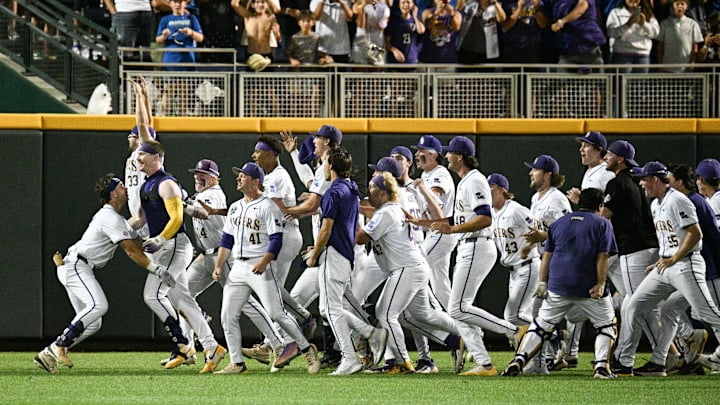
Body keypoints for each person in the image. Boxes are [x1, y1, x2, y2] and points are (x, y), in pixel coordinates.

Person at [34, 174, 175, 374]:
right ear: (112, 194)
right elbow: (131, 251)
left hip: (77, 266)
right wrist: (157, 269)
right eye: (120, 186)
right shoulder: (109, 217)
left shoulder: (116, 219)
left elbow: (137, 245)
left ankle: (48, 353)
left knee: (93, 323)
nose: (125, 187)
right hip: (77, 265)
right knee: (98, 306)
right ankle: (58, 346)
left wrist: (164, 247)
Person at [410, 136, 526, 376]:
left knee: (457, 308)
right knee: (459, 310)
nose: (447, 156)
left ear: (459, 156)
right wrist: (423, 222)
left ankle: (513, 331)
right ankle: (484, 363)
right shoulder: (465, 181)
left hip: (477, 245)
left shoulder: (474, 180)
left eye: (450, 153)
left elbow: (485, 218)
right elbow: (459, 219)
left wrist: (451, 230)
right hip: (469, 245)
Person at [211, 162, 320, 374]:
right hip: (239, 267)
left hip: (260, 263)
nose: (238, 179)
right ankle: (237, 363)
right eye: (239, 175)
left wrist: (264, 262)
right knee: (227, 315)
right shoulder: (235, 206)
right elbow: (226, 240)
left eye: (243, 176)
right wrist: (218, 265)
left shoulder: (268, 206)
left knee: (276, 313)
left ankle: (306, 349)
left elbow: (276, 240)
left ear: (255, 181)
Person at [612, 161, 720, 376]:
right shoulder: (655, 203)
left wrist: (674, 257)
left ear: (654, 179)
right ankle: (628, 364)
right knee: (635, 305)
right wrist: (663, 258)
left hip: (686, 264)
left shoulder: (678, 199)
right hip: (667, 265)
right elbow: (669, 238)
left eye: (644, 179)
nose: (641, 183)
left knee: (708, 313)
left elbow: (695, 233)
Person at [129, 139, 227, 373]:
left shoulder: (166, 184)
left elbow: (177, 218)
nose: (138, 158)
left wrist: (160, 238)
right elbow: (140, 219)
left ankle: (184, 344)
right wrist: (116, 232)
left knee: (153, 295)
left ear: (157, 157)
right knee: (181, 298)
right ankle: (209, 348)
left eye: (143, 154)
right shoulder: (147, 185)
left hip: (174, 246)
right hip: (169, 247)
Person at [177, 158, 285, 369]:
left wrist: (179, 202)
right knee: (182, 294)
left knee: (245, 303)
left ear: (214, 178)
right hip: (206, 256)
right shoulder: (201, 194)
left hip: (223, 255)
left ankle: (277, 343)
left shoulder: (214, 194)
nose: (198, 176)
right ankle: (189, 345)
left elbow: (205, 212)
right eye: (196, 172)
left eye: (203, 174)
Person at [502, 188, 618, 379]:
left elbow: (547, 256)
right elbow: (603, 255)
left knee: (540, 326)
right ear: (600, 206)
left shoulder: (559, 223)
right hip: (586, 286)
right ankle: (601, 368)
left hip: (558, 285)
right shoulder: (602, 223)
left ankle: (519, 359)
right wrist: (601, 283)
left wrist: (542, 282)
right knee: (606, 325)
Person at [356, 173, 459, 374]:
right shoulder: (390, 209)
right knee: (421, 315)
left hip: (406, 268)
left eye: (373, 187)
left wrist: (349, 220)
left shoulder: (387, 212)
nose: (370, 191)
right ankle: (461, 335)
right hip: (413, 266)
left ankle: (401, 362)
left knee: (385, 313)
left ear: (384, 193)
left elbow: (360, 238)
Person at [304, 146, 389, 375]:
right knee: (327, 308)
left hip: (333, 254)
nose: (322, 166)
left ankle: (350, 357)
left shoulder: (333, 192)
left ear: (330, 166)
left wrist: (314, 255)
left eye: (324, 163)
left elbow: (326, 229)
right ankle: (370, 333)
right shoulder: (350, 188)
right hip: (346, 255)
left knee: (330, 309)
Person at [601, 140, 661, 370]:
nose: (607, 157)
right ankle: (666, 353)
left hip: (633, 249)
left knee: (637, 306)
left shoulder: (617, 182)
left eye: (610, 154)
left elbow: (604, 215)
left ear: (621, 159)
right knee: (637, 305)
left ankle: (661, 356)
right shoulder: (635, 181)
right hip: (646, 246)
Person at [561, 131, 616, 369]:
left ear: (600, 150)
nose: (582, 150)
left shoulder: (604, 173)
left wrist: (579, 203)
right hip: (600, 242)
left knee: (634, 301)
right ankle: (571, 352)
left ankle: (677, 344)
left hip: (607, 245)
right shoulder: (592, 172)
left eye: (587, 146)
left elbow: (605, 211)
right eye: (581, 146)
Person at [521, 154, 571, 374]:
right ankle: (551, 354)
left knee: (540, 313)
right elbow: (543, 233)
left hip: (563, 260)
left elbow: (569, 230)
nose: (531, 173)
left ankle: (541, 362)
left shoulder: (557, 199)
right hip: (549, 259)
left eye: (535, 170)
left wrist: (541, 236)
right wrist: (530, 245)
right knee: (544, 313)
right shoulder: (536, 198)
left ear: (548, 175)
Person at [488, 173, 539, 329]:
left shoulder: (516, 210)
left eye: (490, 187)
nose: (486, 190)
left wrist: (528, 246)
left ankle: (550, 334)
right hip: (513, 271)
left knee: (513, 315)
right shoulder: (490, 212)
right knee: (520, 316)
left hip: (528, 265)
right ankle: (543, 350)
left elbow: (539, 232)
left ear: (501, 190)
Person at [125, 76, 156, 239]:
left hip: (147, 214)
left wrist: (138, 96)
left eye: (131, 135)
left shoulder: (147, 151)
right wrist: (145, 96)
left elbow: (143, 125)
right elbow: (149, 124)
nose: (128, 138)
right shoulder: (145, 152)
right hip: (141, 211)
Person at [605, 0, 659, 73]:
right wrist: (628, 24)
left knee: (639, 83)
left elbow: (655, 33)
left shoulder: (647, 13)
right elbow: (611, 32)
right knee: (622, 83)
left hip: (642, 55)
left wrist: (644, 24)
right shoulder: (615, 12)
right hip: (622, 54)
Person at [548, 0, 606, 67]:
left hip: (589, 49)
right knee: (563, 76)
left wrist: (562, 21)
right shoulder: (559, 2)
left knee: (596, 77)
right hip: (567, 50)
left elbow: (581, 9)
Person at [657, 0, 704, 72]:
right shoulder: (664, 24)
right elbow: (660, 45)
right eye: (677, 4)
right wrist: (660, 64)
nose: (680, 6)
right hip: (668, 66)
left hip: (685, 67)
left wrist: (692, 62)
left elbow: (694, 46)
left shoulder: (692, 24)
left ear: (686, 7)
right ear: (672, 6)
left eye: (682, 4)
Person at [456, 0, 506, 65]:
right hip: (467, 49)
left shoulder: (494, 6)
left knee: (485, 74)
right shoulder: (470, 3)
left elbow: (502, 18)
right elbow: (458, 9)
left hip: (487, 52)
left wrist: (494, 2)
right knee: (466, 74)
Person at [385, 0, 425, 64]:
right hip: (395, 62)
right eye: (403, 2)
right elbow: (387, 41)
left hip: (411, 61)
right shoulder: (394, 21)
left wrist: (415, 16)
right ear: (399, 5)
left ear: (413, 5)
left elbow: (421, 31)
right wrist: (394, 50)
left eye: (408, 2)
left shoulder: (415, 20)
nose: (405, 5)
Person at [351, 0, 390, 65]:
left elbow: (382, 26)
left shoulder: (383, 7)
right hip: (360, 44)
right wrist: (363, 6)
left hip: (377, 44)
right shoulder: (362, 3)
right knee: (358, 73)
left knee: (376, 73)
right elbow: (360, 24)